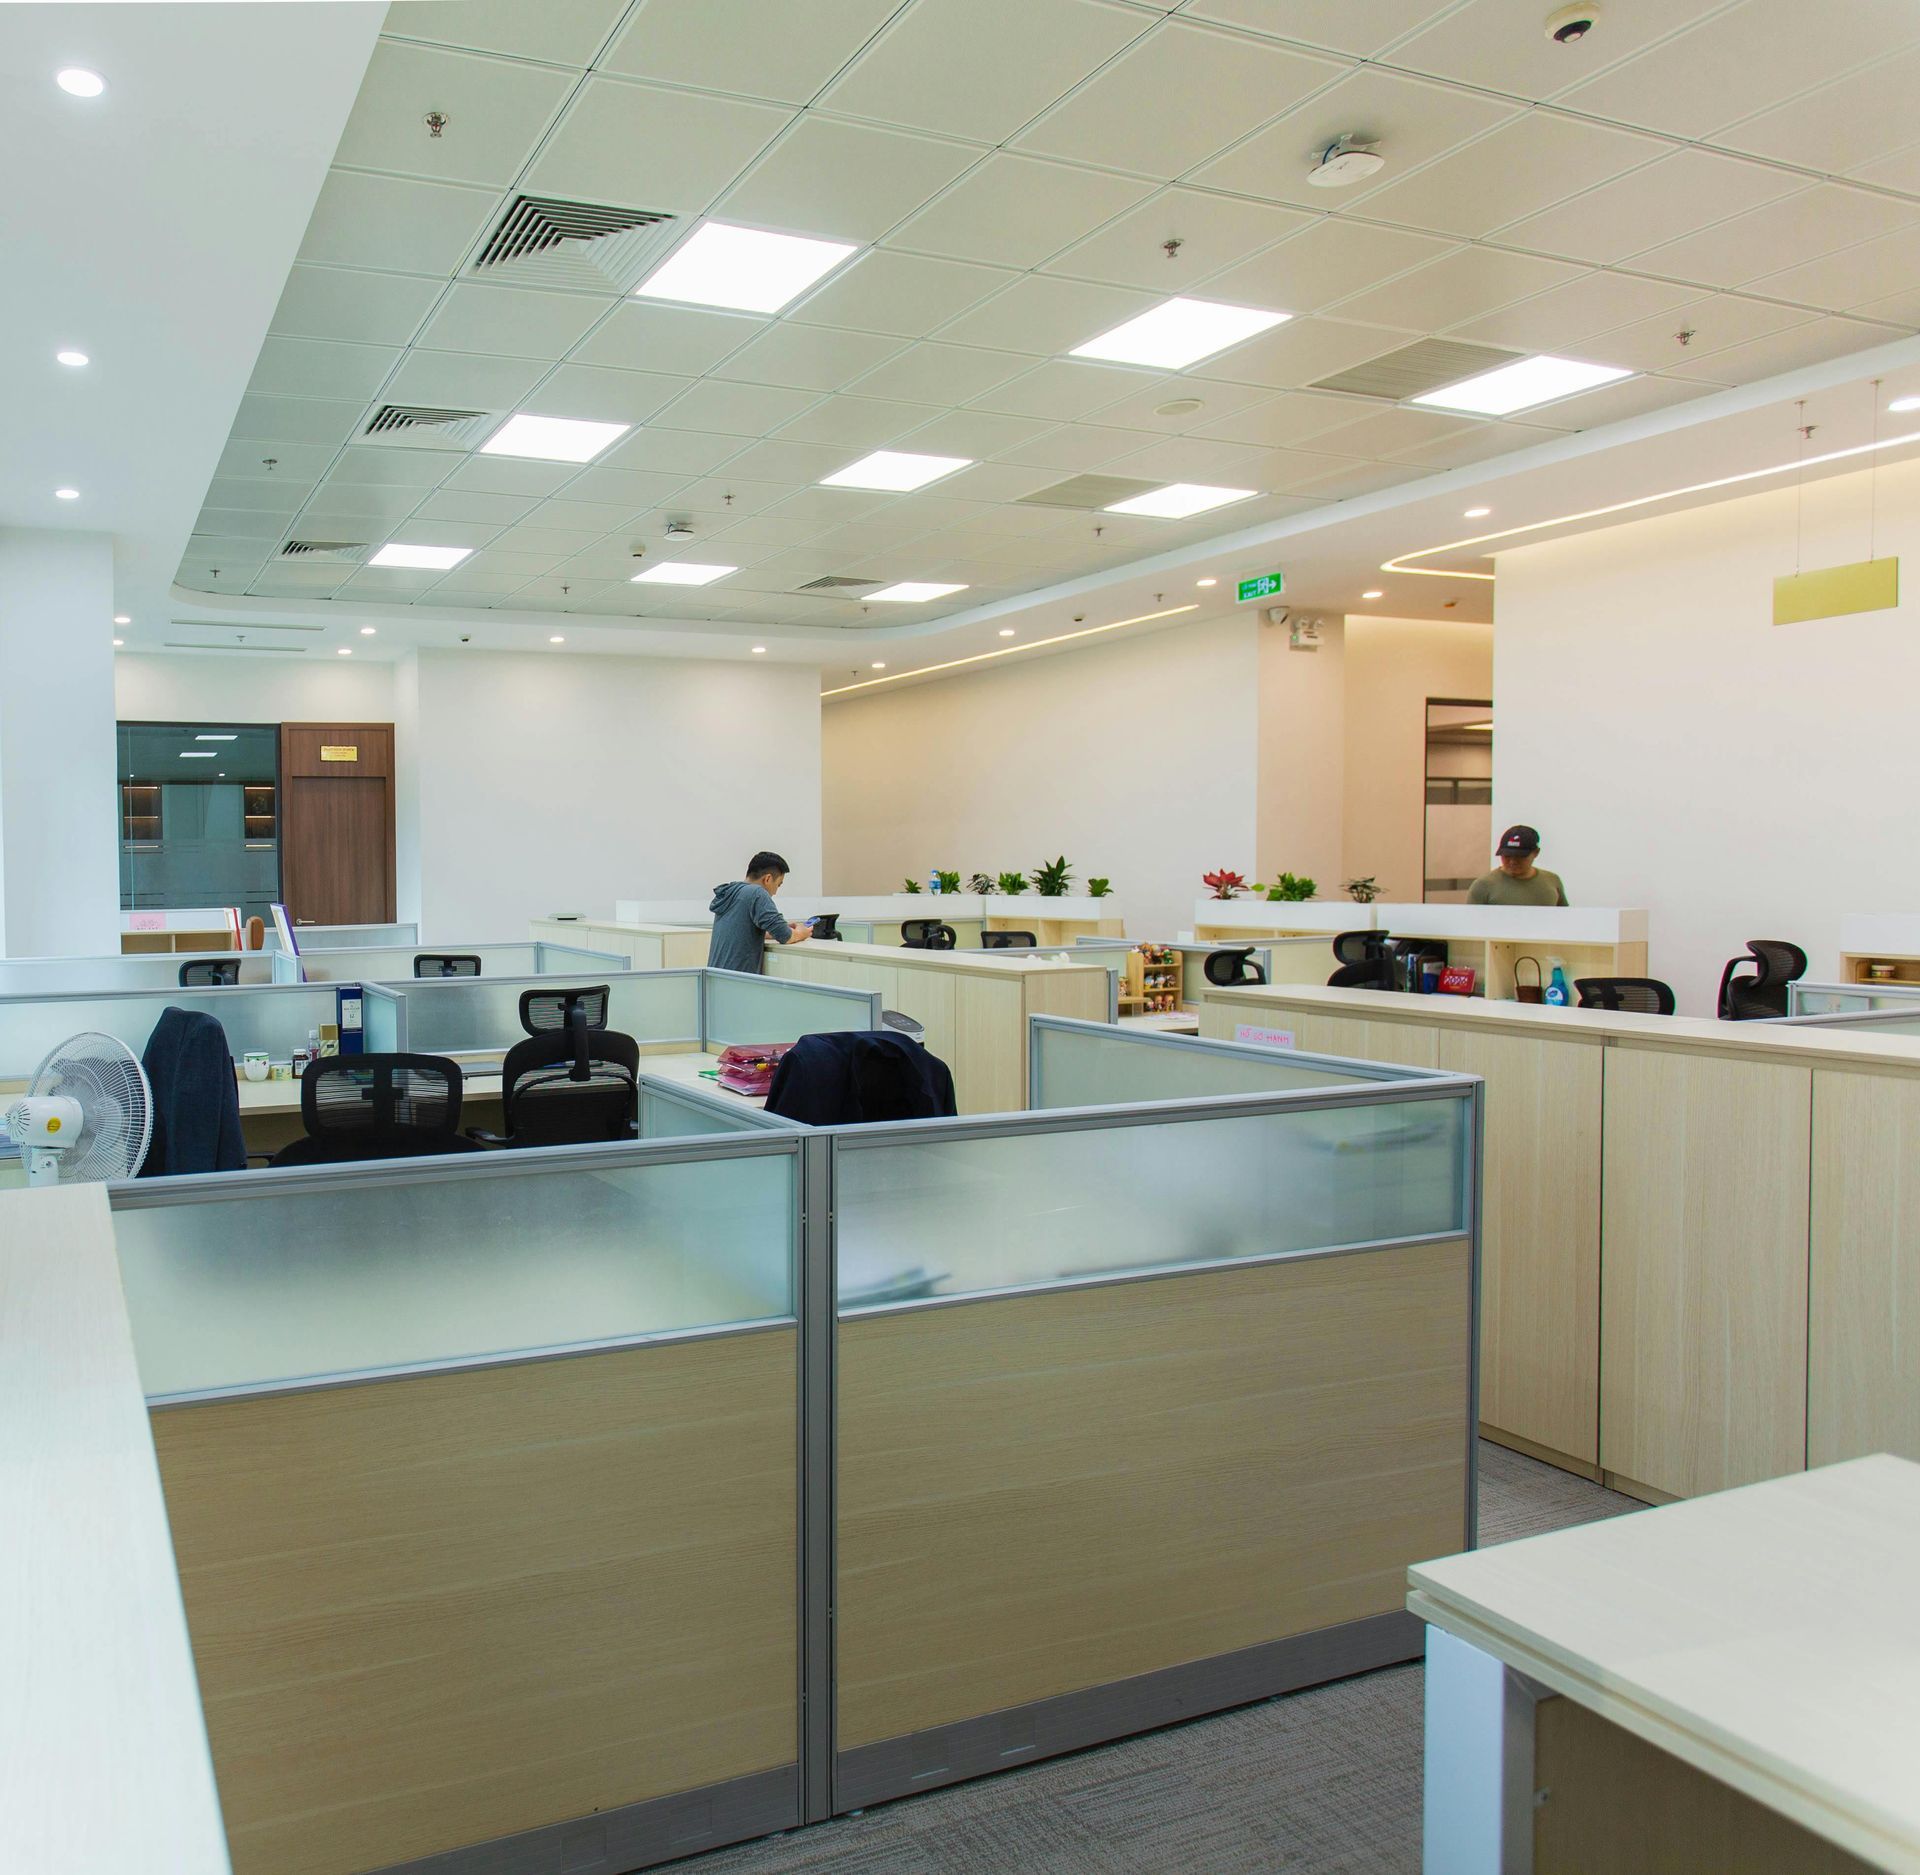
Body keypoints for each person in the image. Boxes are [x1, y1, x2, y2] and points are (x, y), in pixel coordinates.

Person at [708, 851, 811, 974]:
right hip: (739, 982)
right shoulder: (757, 893)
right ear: (767, 879)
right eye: (778, 884)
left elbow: (742, 929)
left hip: (716, 978)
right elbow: (786, 936)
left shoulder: (731, 892)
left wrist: (773, 930)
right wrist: (802, 932)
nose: (775, 892)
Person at [1467, 825, 1569, 907]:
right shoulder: (1483, 886)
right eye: (1506, 856)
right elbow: (1471, 924)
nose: (1512, 861)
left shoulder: (1552, 880)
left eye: (1520, 856)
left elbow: (1564, 918)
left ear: (1536, 853)